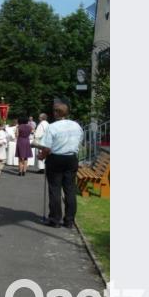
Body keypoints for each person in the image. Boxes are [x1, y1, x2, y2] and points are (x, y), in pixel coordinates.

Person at [38, 98, 84, 228]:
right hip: (71, 158)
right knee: (70, 190)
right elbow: (79, 141)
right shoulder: (77, 126)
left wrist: (41, 156)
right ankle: (69, 220)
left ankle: (55, 219)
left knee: (55, 189)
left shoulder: (52, 127)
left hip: (56, 159)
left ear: (56, 113)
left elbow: (47, 148)